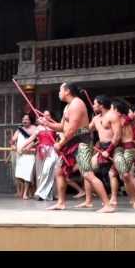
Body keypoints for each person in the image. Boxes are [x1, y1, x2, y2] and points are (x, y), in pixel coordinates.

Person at [40, 83, 115, 213]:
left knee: (87, 173)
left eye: (60, 90)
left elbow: (73, 130)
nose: (59, 92)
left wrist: (61, 143)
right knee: (59, 171)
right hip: (71, 142)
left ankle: (108, 204)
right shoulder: (68, 106)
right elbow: (62, 127)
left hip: (82, 143)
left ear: (67, 91)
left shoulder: (77, 104)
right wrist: (47, 123)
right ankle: (61, 203)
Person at [83, 95, 122, 208]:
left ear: (101, 105)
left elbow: (117, 136)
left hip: (115, 147)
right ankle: (88, 200)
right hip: (102, 148)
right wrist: (71, 130)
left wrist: (109, 151)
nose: (93, 106)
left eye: (95, 104)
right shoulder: (95, 119)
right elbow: (86, 130)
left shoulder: (112, 115)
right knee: (87, 171)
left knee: (118, 174)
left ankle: (114, 198)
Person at [110, 100, 135, 209]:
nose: (110, 112)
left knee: (127, 175)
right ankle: (115, 198)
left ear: (117, 111)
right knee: (117, 173)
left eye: (111, 109)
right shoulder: (123, 119)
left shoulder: (121, 120)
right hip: (127, 149)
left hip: (128, 149)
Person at [11, 114, 37, 200]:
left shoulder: (35, 129)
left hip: (30, 155)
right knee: (19, 175)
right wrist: (14, 146)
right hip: (20, 155)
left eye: (26, 119)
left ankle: (25, 193)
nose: (24, 121)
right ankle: (27, 192)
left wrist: (30, 148)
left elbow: (37, 141)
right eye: (23, 119)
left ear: (30, 120)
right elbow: (13, 140)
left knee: (27, 174)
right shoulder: (19, 129)